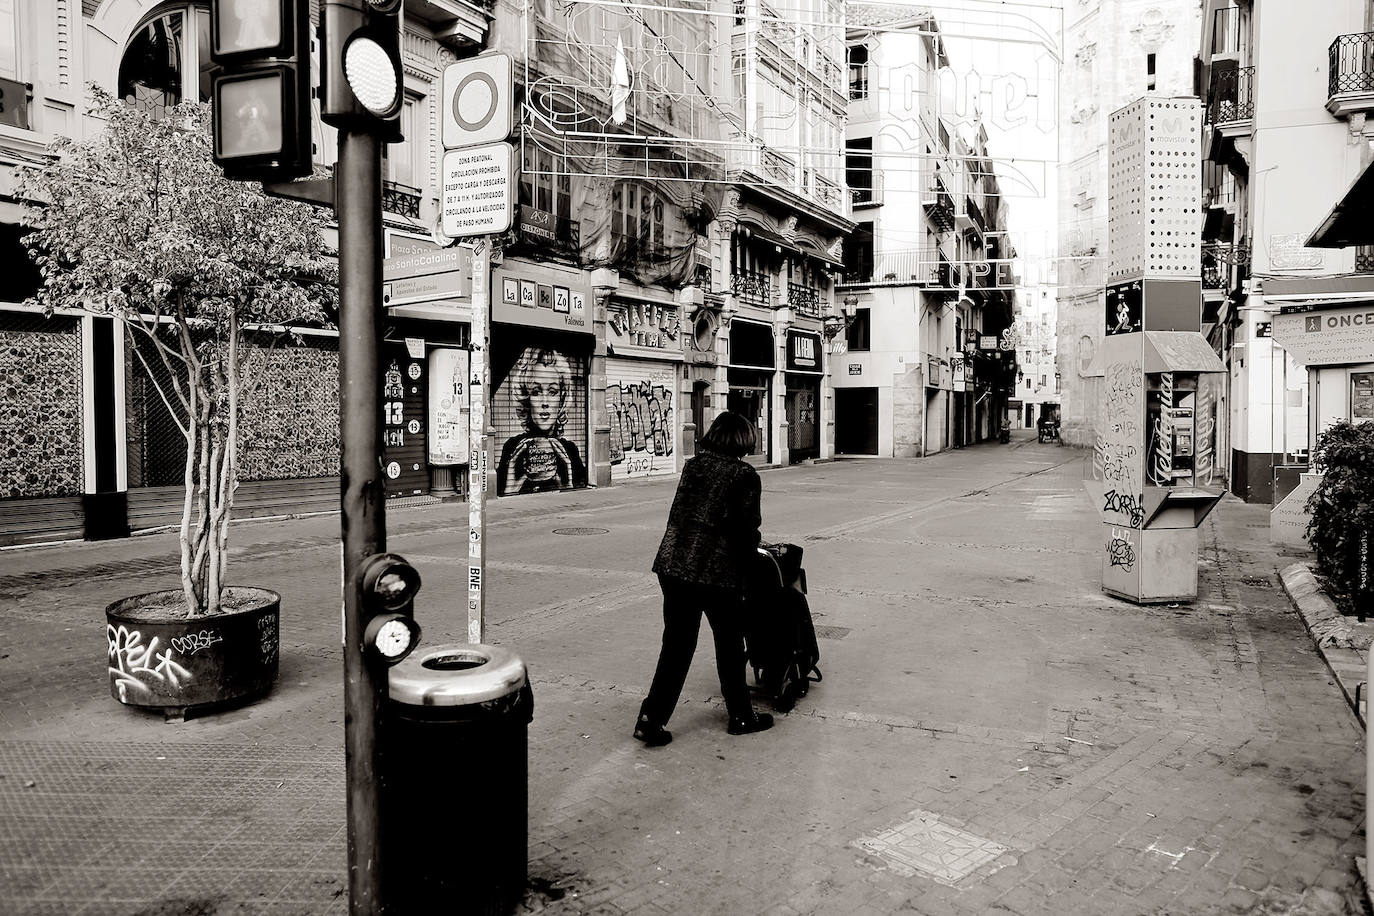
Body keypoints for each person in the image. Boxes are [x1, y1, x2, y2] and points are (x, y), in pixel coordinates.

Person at [634, 411, 774, 746]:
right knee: (729, 646)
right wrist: (753, 563)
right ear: (743, 439)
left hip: (674, 567)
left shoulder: (694, 466)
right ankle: (741, 715)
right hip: (715, 574)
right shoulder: (743, 474)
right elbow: (745, 530)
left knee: (676, 648)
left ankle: (651, 720)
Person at [496, 347, 587, 496]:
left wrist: (568, 486)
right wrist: (509, 491)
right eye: (536, 392)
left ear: (561, 400)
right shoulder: (513, 449)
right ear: (526, 398)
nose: (545, 402)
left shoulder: (569, 451)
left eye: (552, 392)